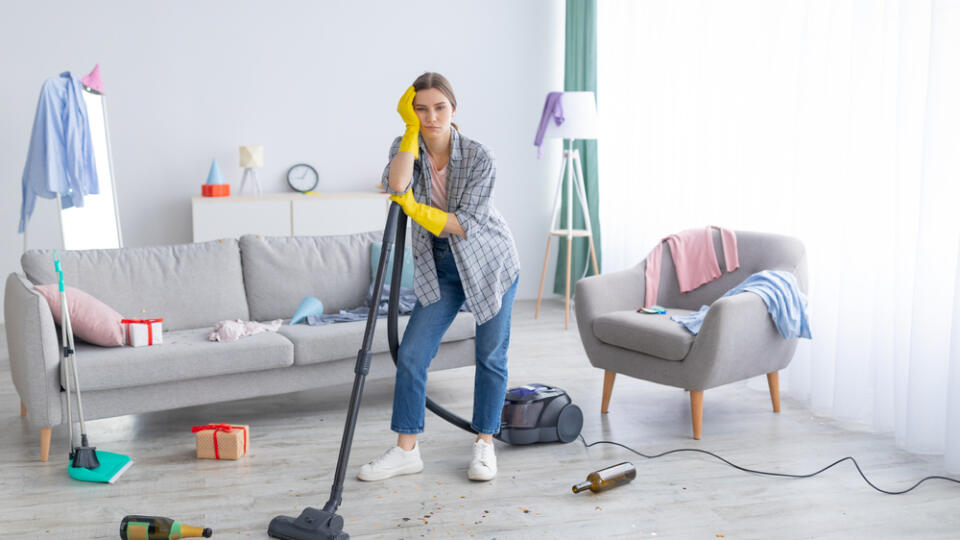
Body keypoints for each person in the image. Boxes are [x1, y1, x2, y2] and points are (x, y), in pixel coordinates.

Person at [359, 72, 520, 482]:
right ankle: (406, 450)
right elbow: (395, 184)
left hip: (489, 264)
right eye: (420, 109)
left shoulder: (481, 156)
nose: (431, 116)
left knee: (489, 356)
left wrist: (414, 209)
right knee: (412, 354)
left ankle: (484, 444)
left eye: (439, 107)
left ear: (454, 107)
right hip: (440, 266)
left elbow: (467, 224)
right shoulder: (405, 146)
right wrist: (409, 132)